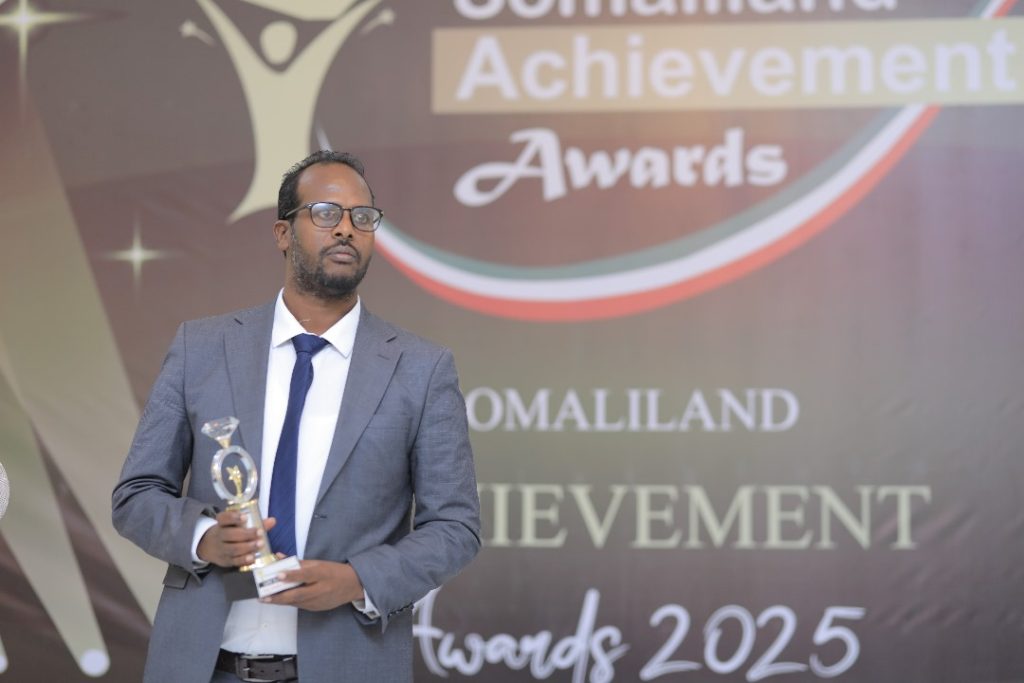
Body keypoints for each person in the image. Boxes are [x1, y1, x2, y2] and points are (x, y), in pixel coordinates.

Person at [112, 150, 481, 682]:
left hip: (348, 665)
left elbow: (455, 526)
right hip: (202, 665)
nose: (347, 229)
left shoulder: (421, 369)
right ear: (283, 233)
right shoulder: (203, 348)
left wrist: (358, 580)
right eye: (326, 213)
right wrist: (204, 537)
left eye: (362, 217)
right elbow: (137, 493)